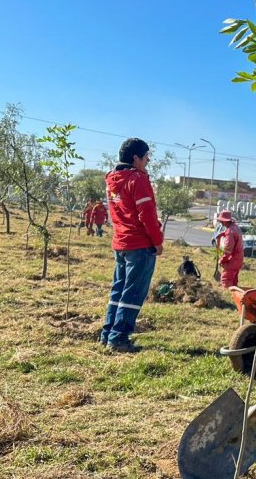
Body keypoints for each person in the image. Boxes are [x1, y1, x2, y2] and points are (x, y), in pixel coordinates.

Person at [99, 138, 164, 353]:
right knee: (133, 293)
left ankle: (108, 334)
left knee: (118, 290)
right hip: (139, 244)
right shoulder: (137, 179)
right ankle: (119, 338)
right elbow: (146, 214)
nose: (148, 160)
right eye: (146, 156)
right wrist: (157, 242)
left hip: (121, 243)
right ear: (135, 158)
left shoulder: (112, 179)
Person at [215, 210, 244, 288]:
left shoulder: (230, 232)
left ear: (226, 221)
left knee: (226, 280)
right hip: (239, 258)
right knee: (234, 280)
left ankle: (227, 296)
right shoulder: (235, 227)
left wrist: (222, 260)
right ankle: (234, 296)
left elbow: (228, 250)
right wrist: (223, 234)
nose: (221, 223)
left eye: (222, 221)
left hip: (232, 260)